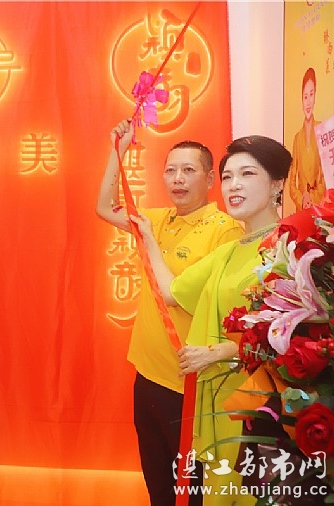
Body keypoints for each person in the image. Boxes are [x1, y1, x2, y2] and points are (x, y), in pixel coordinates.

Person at [133, 135, 292, 505]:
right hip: (218, 407)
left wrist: (221, 351)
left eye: (247, 174)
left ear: (277, 184)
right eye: (228, 176)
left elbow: (299, 336)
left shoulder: (290, 248)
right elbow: (171, 292)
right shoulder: (229, 251)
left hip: (263, 411)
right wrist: (149, 238)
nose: (234, 185)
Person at [96, 119, 243, 506]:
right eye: (171, 170)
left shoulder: (225, 230)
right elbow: (104, 207)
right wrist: (117, 151)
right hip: (147, 374)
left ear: (210, 179)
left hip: (189, 384)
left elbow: (179, 295)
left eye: (188, 170)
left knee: (189, 492)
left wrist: (148, 240)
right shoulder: (158, 219)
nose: (178, 179)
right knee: (158, 486)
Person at [288, 67, 324, 211]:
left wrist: (312, 198)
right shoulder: (297, 138)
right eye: (305, 97)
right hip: (301, 208)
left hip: (319, 207)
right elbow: (291, 181)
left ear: (315, 96)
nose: (308, 102)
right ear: (301, 100)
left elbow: (327, 175)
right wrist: (302, 199)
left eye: (311, 94)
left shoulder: (322, 130)